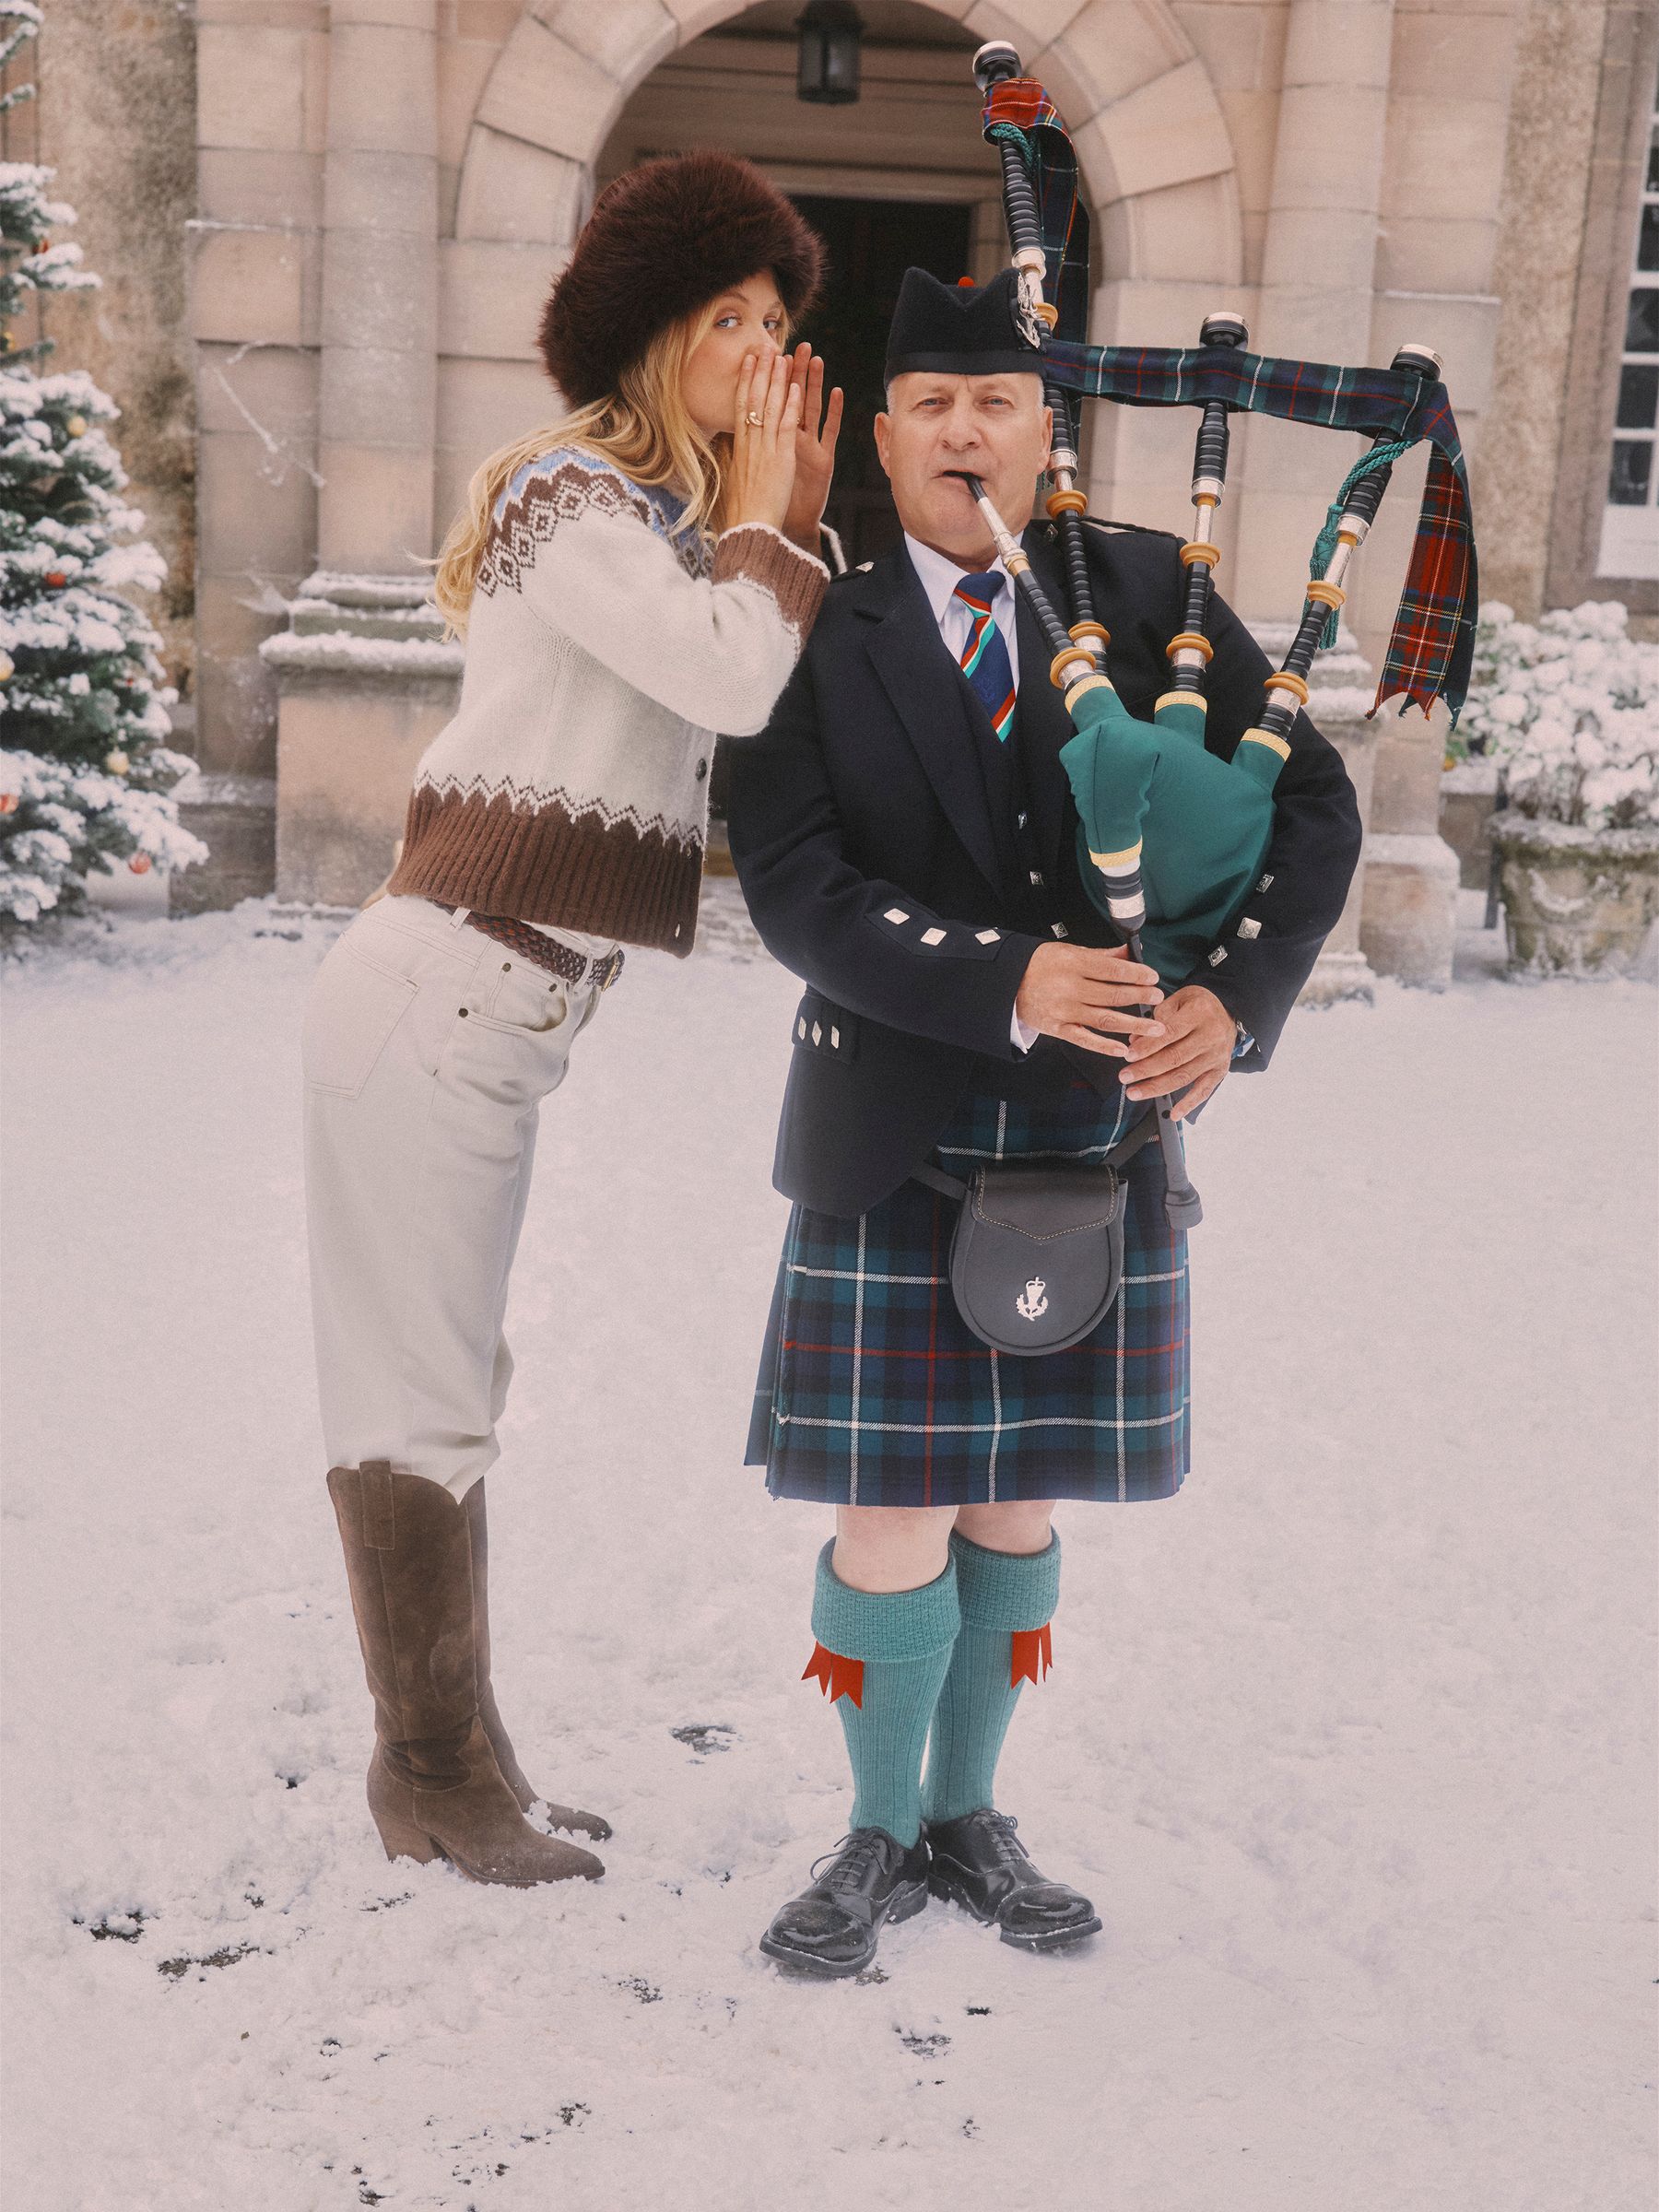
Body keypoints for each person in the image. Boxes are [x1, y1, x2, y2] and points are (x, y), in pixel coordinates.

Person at [727, 267, 1362, 1976]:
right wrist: (1007, 978)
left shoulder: (1152, 595)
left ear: (1041, 431)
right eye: (931, 405)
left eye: (995, 403)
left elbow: (1309, 802)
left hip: (1097, 1133)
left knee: (1015, 1505)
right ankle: (876, 1826)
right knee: (892, 1511)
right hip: (893, 1129)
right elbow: (793, 882)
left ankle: (970, 1814)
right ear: (883, 440)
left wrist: (1243, 995)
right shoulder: (813, 620)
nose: (965, 432)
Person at [302, 154, 841, 1888]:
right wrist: (775, 512)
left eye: (779, 322)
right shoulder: (564, 496)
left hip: (496, 1011)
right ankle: (429, 1773)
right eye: (729, 317)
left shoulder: (665, 527)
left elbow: (755, 658)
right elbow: (732, 673)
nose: (763, 349)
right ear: (652, 332)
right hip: (439, 992)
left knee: (457, 1378)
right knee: (417, 1392)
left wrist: (769, 518)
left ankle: (468, 1758)